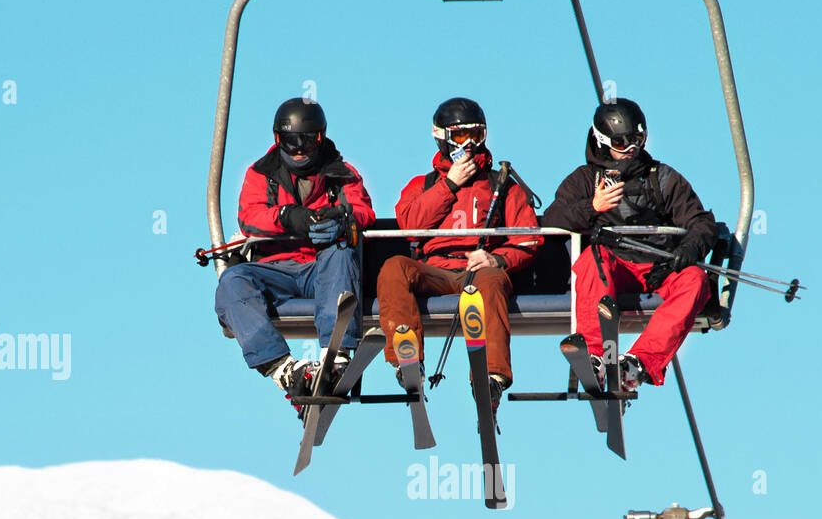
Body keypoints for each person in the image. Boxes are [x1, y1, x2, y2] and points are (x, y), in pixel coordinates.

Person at [376, 97, 542, 413]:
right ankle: (407, 359)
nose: (469, 145)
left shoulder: (501, 185)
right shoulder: (423, 184)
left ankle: (490, 376)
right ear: (443, 137)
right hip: (436, 269)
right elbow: (411, 226)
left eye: (476, 136)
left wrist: (498, 258)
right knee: (394, 268)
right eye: (461, 137)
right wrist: (449, 184)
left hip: (479, 270)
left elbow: (529, 238)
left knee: (492, 280)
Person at [542, 98, 718, 392]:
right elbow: (551, 221)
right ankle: (595, 354)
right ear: (603, 140)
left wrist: (689, 249)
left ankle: (638, 363)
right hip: (616, 267)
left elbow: (701, 223)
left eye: (637, 139)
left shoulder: (661, 178)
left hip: (659, 267)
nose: (631, 148)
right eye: (622, 142)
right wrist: (592, 207)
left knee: (696, 280)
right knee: (591, 258)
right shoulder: (586, 180)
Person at [214, 98, 375, 406]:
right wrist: (287, 217)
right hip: (278, 270)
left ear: (321, 138)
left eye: (308, 141)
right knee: (233, 280)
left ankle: (335, 353)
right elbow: (250, 217)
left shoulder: (340, 172)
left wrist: (340, 219)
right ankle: (284, 369)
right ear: (278, 139)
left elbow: (362, 210)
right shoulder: (262, 174)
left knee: (341, 250)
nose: (299, 150)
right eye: (291, 142)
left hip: (322, 270)